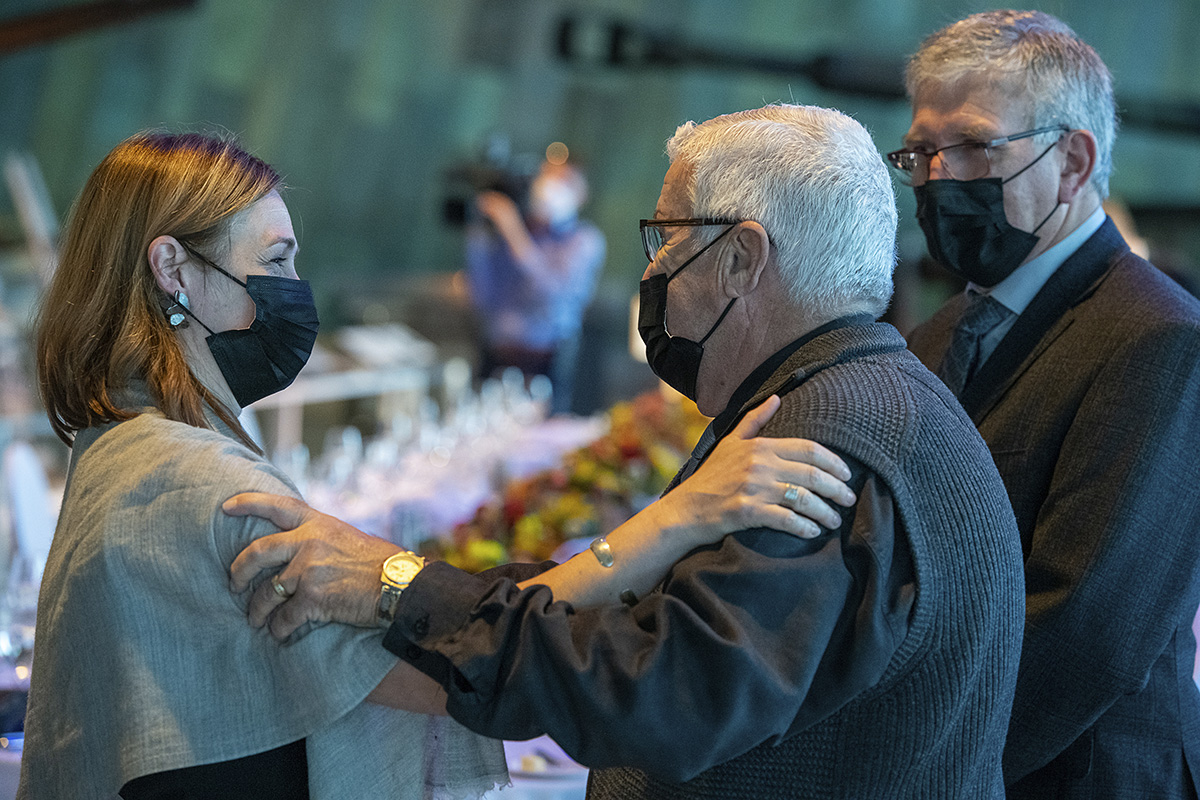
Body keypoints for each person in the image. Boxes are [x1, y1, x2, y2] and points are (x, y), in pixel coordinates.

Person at [229, 104, 1026, 798]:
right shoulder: (858, 395)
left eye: (667, 238)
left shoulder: (826, 440)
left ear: (743, 258)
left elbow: (660, 690)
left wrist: (400, 586)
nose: (652, 269)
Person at [18, 131, 837, 800]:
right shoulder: (198, 482)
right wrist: (681, 517)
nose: (293, 290)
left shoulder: (124, 441)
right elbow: (455, 661)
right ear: (173, 270)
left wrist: (393, 575)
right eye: (273, 263)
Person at [886, 10, 1200, 796]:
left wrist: (909, 763)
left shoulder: (1159, 337)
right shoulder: (939, 332)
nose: (937, 178)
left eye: (974, 146)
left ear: (1072, 160)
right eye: (922, 152)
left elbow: (1088, 633)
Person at [465, 159, 605, 413]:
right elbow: (483, 295)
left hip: (545, 364)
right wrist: (480, 231)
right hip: (495, 358)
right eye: (547, 176)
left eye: (564, 181)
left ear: (582, 195)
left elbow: (552, 294)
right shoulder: (511, 233)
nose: (550, 187)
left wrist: (513, 231)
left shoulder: (584, 240)